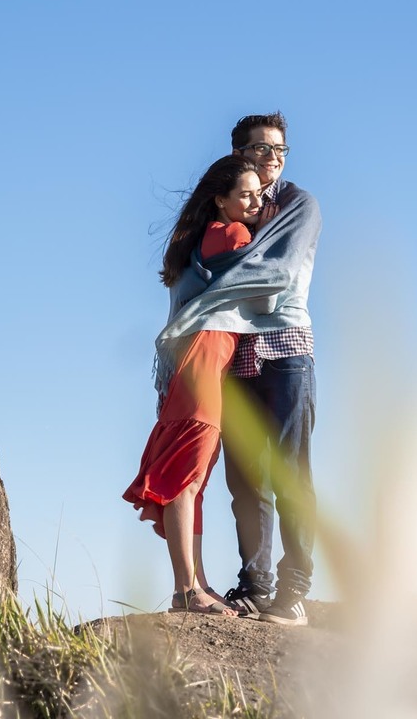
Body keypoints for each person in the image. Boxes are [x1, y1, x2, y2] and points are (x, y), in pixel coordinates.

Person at [123, 155, 277, 615]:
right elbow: (268, 291)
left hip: (195, 367)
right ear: (221, 201)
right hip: (204, 368)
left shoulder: (199, 241)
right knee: (186, 484)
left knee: (192, 482)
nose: (255, 202)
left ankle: (196, 584)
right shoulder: (232, 235)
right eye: (245, 195)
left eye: (259, 194)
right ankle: (185, 592)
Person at [218, 112, 321, 627]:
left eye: (280, 149)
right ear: (239, 153)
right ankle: (255, 585)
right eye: (261, 149)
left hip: (286, 350)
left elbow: (273, 274)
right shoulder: (226, 205)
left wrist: (219, 275)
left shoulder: (298, 205)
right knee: (244, 478)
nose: (273, 157)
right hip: (233, 353)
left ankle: (295, 589)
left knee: (290, 475)